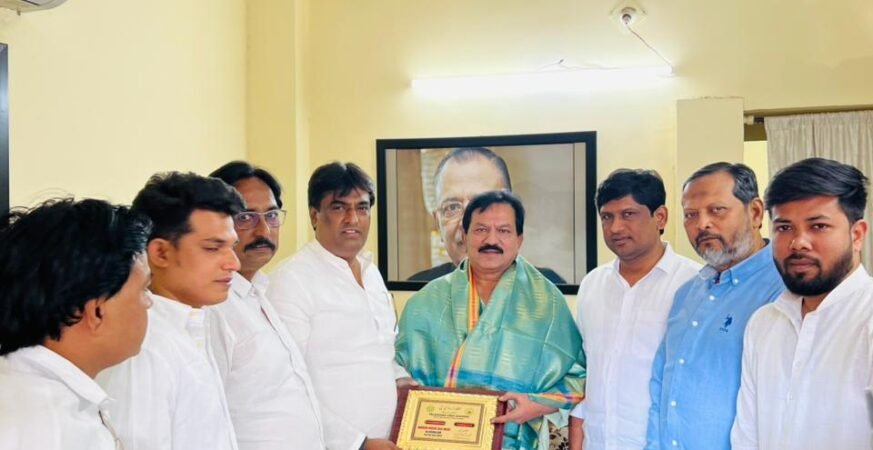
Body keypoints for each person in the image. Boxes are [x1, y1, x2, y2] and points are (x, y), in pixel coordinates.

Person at [397, 190, 586, 449]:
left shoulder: (547, 304)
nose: (491, 240)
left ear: (519, 239)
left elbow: (578, 376)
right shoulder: (425, 302)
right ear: (464, 235)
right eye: (481, 230)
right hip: (435, 439)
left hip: (515, 441)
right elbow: (398, 371)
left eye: (504, 231)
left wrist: (536, 405)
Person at [731, 157, 873, 450]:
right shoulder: (764, 323)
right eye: (784, 228)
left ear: (857, 235)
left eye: (818, 226)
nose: (798, 243)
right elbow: (746, 436)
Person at [98, 172, 243, 450]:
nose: (233, 263)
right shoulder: (141, 346)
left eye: (232, 247)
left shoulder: (197, 325)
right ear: (160, 253)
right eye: (213, 248)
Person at [645, 162, 785, 450]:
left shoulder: (786, 291)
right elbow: (661, 387)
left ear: (755, 212)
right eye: (691, 215)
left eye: (717, 210)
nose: (702, 224)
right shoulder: (687, 293)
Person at [268, 162, 403, 450]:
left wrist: (404, 382)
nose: (353, 218)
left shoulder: (371, 272)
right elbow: (288, 383)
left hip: (388, 440)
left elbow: (383, 352)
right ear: (314, 215)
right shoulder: (291, 280)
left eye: (362, 208)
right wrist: (357, 443)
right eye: (339, 207)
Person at [0, 198, 151, 450]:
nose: (149, 303)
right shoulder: (51, 427)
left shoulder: (22, 389)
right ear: (96, 312)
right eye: (144, 289)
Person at [568, 170, 700, 450]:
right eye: (607, 217)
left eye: (628, 214)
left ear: (660, 217)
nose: (615, 227)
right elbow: (585, 374)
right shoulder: (593, 285)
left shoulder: (694, 285)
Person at [208, 161, 325, 449]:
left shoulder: (260, 291)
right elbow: (207, 419)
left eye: (271, 215)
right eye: (246, 217)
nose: (263, 230)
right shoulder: (214, 308)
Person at [407, 147, 566, 284]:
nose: (465, 224)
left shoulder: (549, 290)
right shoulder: (418, 293)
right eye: (452, 207)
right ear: (438, 223)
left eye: (481, 205)